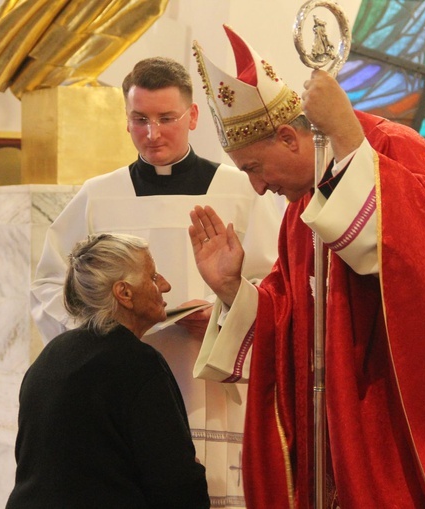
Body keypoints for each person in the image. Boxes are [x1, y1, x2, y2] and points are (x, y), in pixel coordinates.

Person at [188, 25, 425, 508]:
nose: (258, 188)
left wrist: (348, 138)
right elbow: (292, 321)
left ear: (288, 137)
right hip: (335, 436)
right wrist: (232, 289)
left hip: (395, 428)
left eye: (254, 168)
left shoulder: (395, 150)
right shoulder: (298, 209)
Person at [30, 57, 283, 508]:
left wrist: (225, 315)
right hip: (117, 390)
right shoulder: (97, 195)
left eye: (166, 119)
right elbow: (51, 286)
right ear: (126, 121)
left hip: (215, 383)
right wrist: (100, 338)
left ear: (192, 117)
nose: (152, 133)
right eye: (139, 119)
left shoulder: (240, 190)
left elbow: (276, 283)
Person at [7, 233, 209, 508]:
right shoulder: (137, 363)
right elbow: (177, 484)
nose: (165, 285)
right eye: (153, 277)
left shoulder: (50, 355)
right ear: (124, 293)